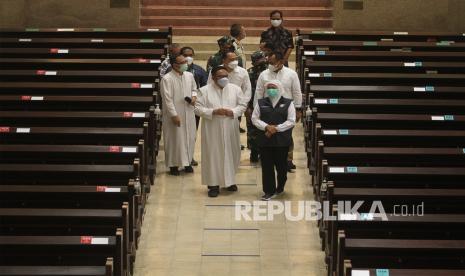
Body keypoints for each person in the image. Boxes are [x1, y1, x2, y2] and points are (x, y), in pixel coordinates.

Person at [194, 66, 247, 197]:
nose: (224, 79)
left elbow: (242, 105)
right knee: (213, 155)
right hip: (212, 128)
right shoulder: (204, 91)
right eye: (220, 77)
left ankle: (230, 181)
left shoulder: (235, 89)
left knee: (231, 153)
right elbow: (197, 108)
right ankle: (213, 185)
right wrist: (213, 111)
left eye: (226, 76)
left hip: (230, 126)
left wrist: (233, 112)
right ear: (213, 78)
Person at [253, 51, 302, 171]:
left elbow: (296, 91)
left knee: (286, 135)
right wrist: (256, 109)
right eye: (269, 62)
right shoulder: (264, 74)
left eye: (272, 62)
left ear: (281, 62)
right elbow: (259, 92)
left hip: (286, 109)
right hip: (267, 108)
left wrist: (298, 108)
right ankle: (268, 159)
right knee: (269, 131)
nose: (270, 64)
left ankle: (288, 159)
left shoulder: (291, 74)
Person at [252, 80, 296, 200]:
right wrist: (266, 127)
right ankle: (268, 191)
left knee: (281, 167)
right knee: (267, 167)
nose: (271, 90)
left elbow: (291, 120)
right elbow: (254, 119)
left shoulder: (288, 103)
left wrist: (276, 128)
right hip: (265, 139)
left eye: (274, 87)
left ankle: (280, 186)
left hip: (282, 140)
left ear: (280, 88)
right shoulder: (261, 103)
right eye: (269, 87)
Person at [160, 54, 198, 176]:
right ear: (174, 65)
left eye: (185, 61)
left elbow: (194, 89)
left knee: (190, 137)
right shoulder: (167, 79)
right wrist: (174, 115)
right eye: (182, 62)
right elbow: (167, 100)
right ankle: (174, 165)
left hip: (189, 111)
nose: (185, 64)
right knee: (175, 139)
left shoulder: (189, 75)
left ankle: (187, 163)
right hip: (174, 114)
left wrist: (193, 97)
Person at [208, 51, 251, 134]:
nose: (234, 61)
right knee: (218, 130)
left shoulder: (242, 72)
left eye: (235, 59)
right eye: (231, 60)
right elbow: (209, 86)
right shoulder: (215, 70)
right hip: (218, 105)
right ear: (224, 60)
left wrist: (243, 105)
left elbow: (247, 90)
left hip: (236, 106)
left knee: (234, 129)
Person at [181, 46, 208, 167]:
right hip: (179, 107)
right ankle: (180, 157)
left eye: (191, 55)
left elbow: (204, 89)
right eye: (186, 55)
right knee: (179, 134)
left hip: (194, 106)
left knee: (192, 133)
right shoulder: (174, 70)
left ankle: (190, 156)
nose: (188, 57)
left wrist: (197, 100)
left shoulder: (199, 71)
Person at [245, 50, 268, 163]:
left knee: (266, 129)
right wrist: (247, 107)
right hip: (252, 106)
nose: (261, 62)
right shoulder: (248, 73)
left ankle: (265, 154)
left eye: (262, 59)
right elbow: (245, 92)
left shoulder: (270, 72)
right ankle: (254, 153)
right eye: (258, 60)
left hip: (267, 106)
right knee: (252, 131)